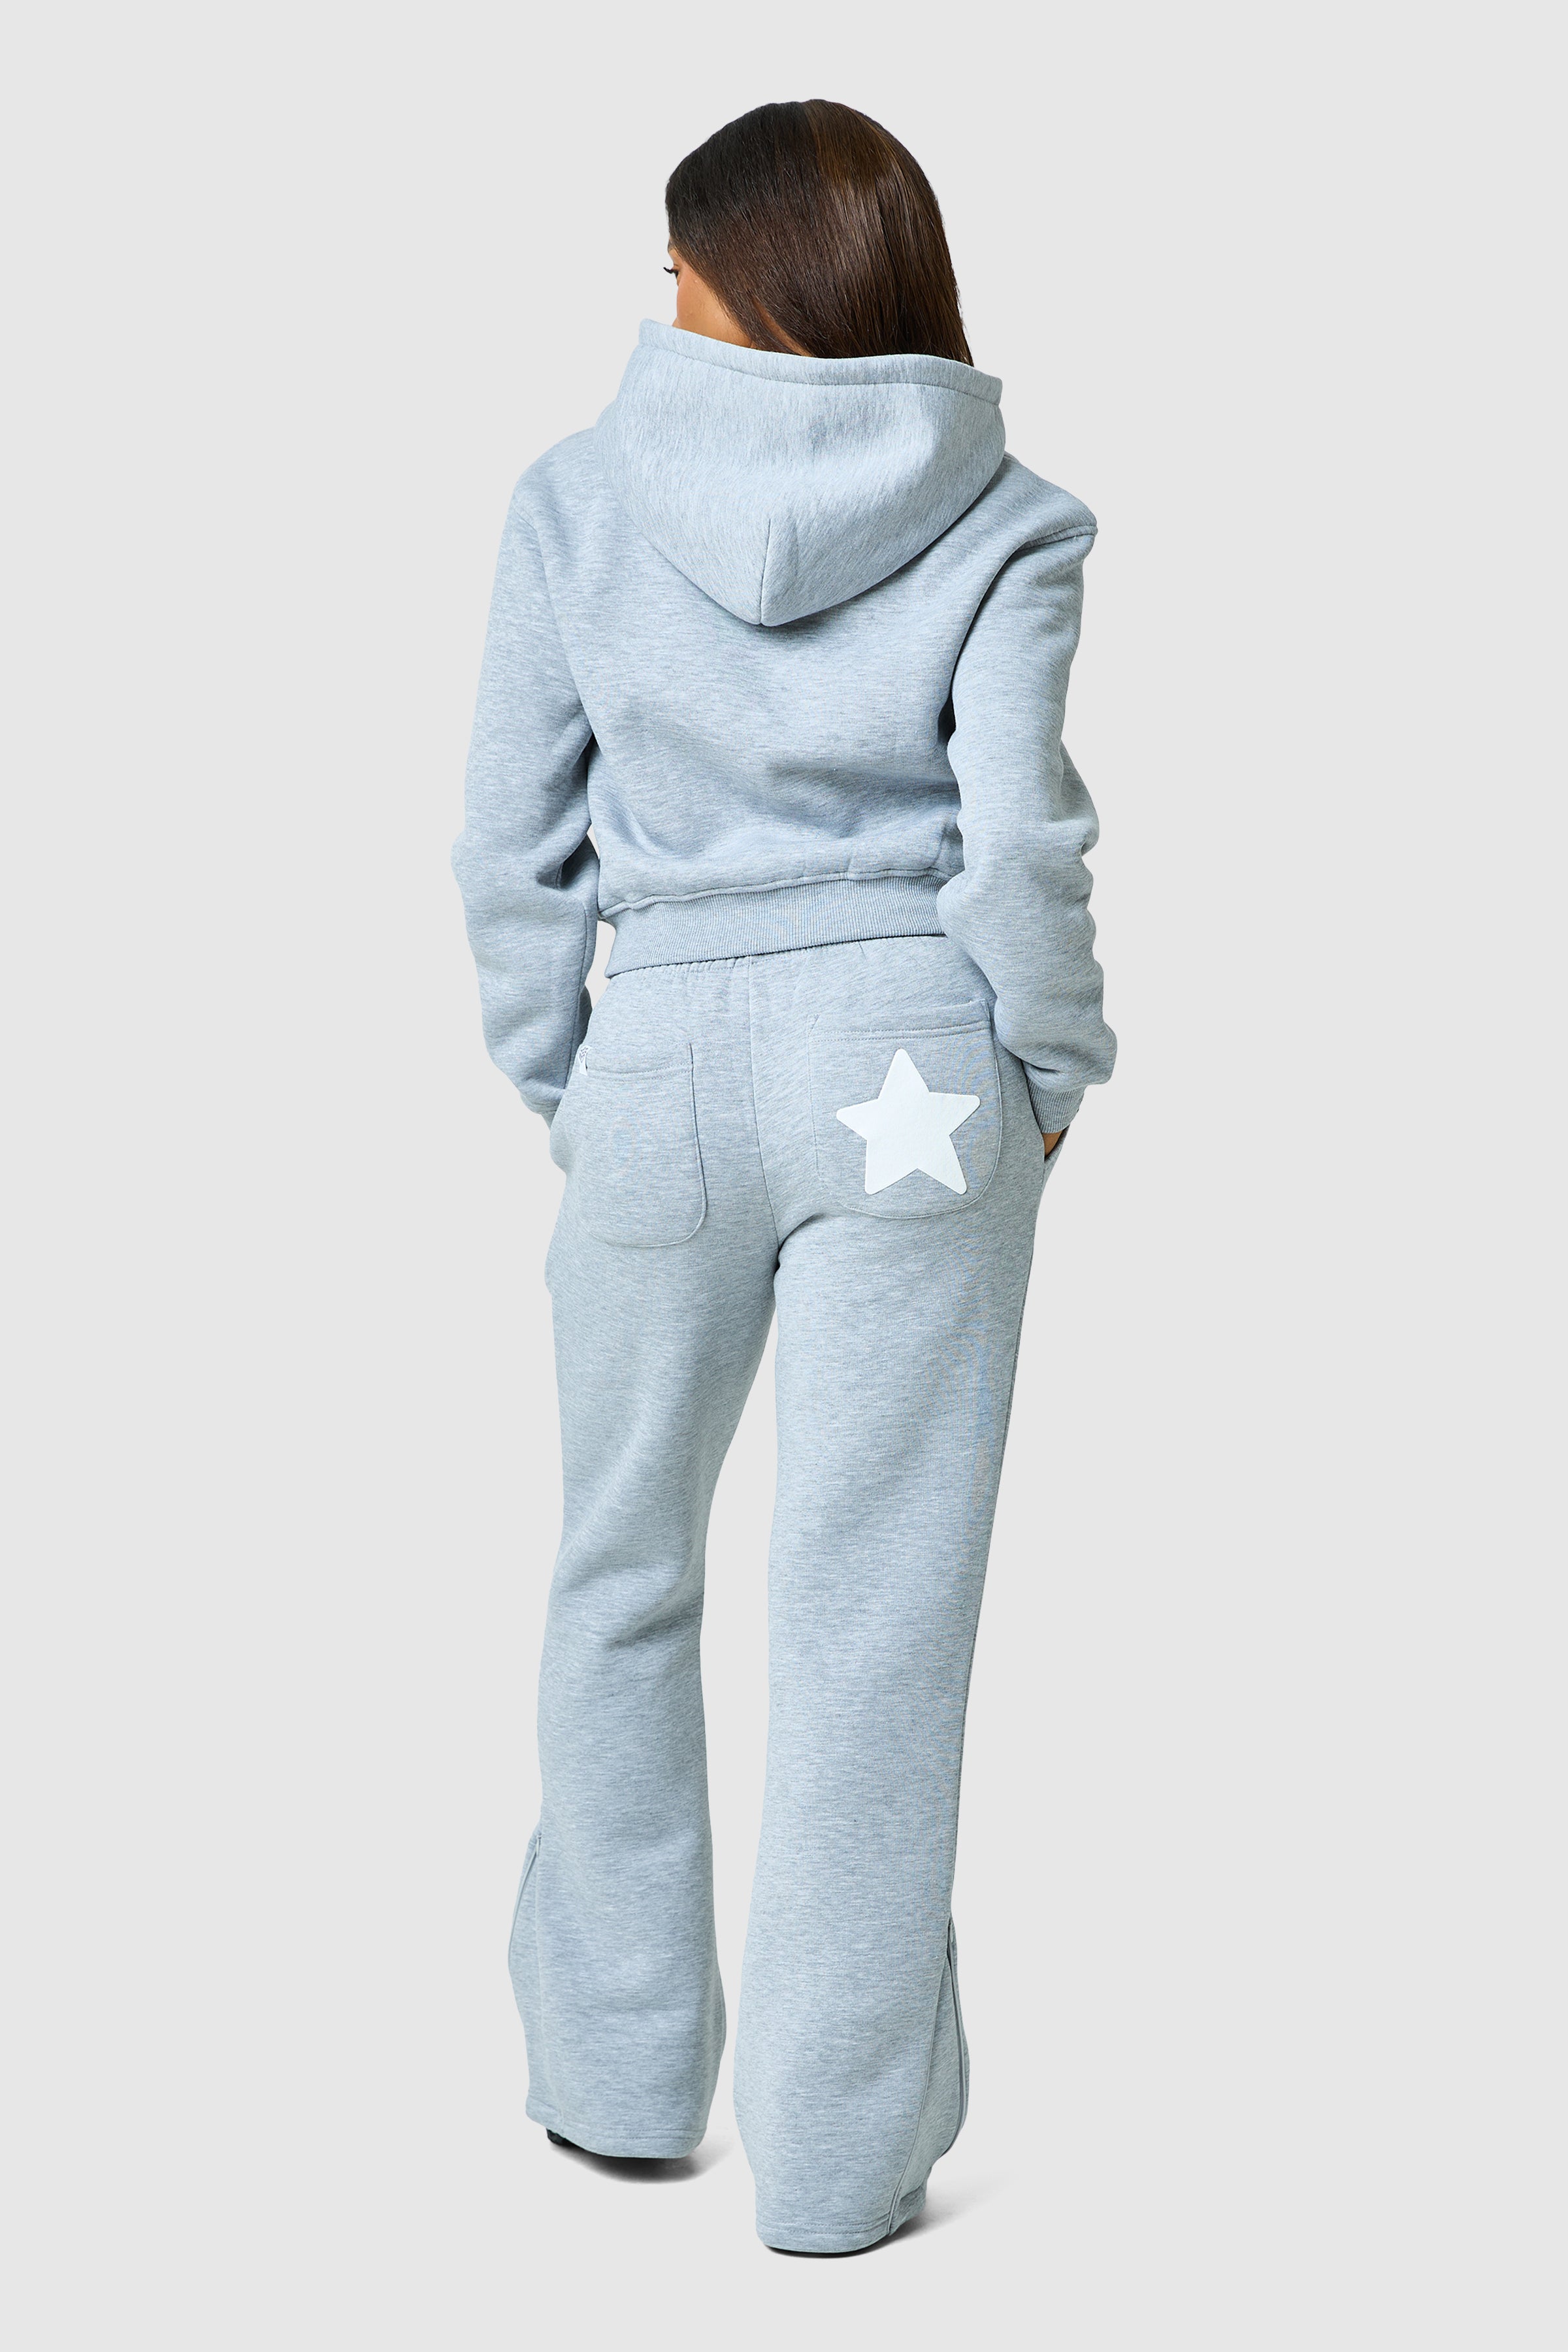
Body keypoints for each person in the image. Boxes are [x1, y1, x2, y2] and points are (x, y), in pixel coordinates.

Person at [453, 97, 1115, 2255]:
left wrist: (578, 1083)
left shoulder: (574, 498)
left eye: (678, 265)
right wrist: (1049, 1068)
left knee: (616, 1566)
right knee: (872, 1616)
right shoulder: (1007, 518)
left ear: (744, 274)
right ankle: (834, 2163)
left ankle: (617, 2073)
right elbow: (1018, 844)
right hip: (911, 1064)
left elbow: (510, 846)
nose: (662, 302)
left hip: (658, 1058)